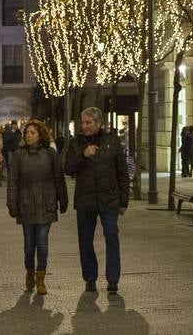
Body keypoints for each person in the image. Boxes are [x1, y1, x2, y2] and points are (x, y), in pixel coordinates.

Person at [64, 106, 129, 293]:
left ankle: (113, 279)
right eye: (83, 122)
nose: (85, 126)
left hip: (109, 198)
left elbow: (122, 172)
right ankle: (90, 277)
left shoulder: (112, 141)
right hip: (86, 199)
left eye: (88, 122)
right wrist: (83, 155)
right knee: (85, 240)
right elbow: (68, 168)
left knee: (111, 235)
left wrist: (123, 201)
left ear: (99, 123)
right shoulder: (76, 143)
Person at [6, 119, 68, 296]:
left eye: (32, 133)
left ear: (40, 135)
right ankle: (29, 272)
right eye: (27, 133)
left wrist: (63, 200)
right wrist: (12, 203)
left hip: (46, 202)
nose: (28, 136)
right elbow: (13, 182)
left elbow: (59, 178)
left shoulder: (50, 154)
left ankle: (41, 277)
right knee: (28, 244)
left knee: (42, 243)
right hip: (26, 203)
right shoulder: (19, 155)